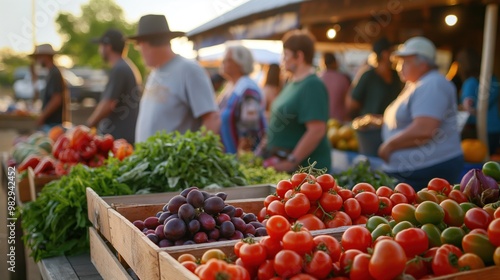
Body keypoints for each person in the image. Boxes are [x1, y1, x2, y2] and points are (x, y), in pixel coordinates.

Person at [378, 36, 464, 190]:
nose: (399, 67)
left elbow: (424, 129)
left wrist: (389, 145)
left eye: (405, 62)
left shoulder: (432, 84)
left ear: (423, 63)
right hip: (414, 170)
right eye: (399, 62)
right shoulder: (416, 84)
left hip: (427, 169)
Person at [129, 15, 220, 142]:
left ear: (146, 44)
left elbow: (212, 119)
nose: (140, 51)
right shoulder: (155, 72)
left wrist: (193, 156)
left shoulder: (189, 69)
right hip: (148, 160)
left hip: (174, 161)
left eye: (138, 45)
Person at [264, 30, 331, 172]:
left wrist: (291, 161)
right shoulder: (291, 83)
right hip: (285, 166)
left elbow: (317, 130)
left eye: (286, 54)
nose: (282, 59)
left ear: (299, 56)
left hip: (307, 171)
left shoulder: (312, 85)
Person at [86, 29, 142, 144]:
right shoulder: (126, 66)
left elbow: (108, 104)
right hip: (125, 137)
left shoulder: (119, 69)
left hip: (119, 140)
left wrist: (88, 126)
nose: (99, 50)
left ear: (108, 46)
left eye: (101, 46)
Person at [217, 45, 266, 154]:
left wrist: (242, 161)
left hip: (241, 160)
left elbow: (250, 132)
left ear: (241, 63)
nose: (223, 62)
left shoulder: (248, 90)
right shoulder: (231, 87)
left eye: (228, 59)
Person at [456, 48, 500, 154]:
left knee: (477, 165)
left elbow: (468, 108)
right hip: (495, 129)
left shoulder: (470, 82)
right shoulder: (493, 80)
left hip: (477, 130)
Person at [347, 37, 403, 118]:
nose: (395, 55)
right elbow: (353, 103)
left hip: (391, 123)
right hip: (371, 127)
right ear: (384, 54)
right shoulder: (368, 76)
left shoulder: (396, 76)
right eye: (392, 51)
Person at [30, 44, 69, 131]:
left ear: (46, 56)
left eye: (39, 57)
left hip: (53, 124)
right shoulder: (51, 73)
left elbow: (56, 99)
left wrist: (42, 117)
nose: (37, 60)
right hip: (51, 123)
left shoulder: (54, 73)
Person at [319, 52, 350, 122]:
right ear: (335, 63)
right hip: (339, 121)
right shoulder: (342, 79)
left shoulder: (318, 78)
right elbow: (348, 102)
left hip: (321, 120)